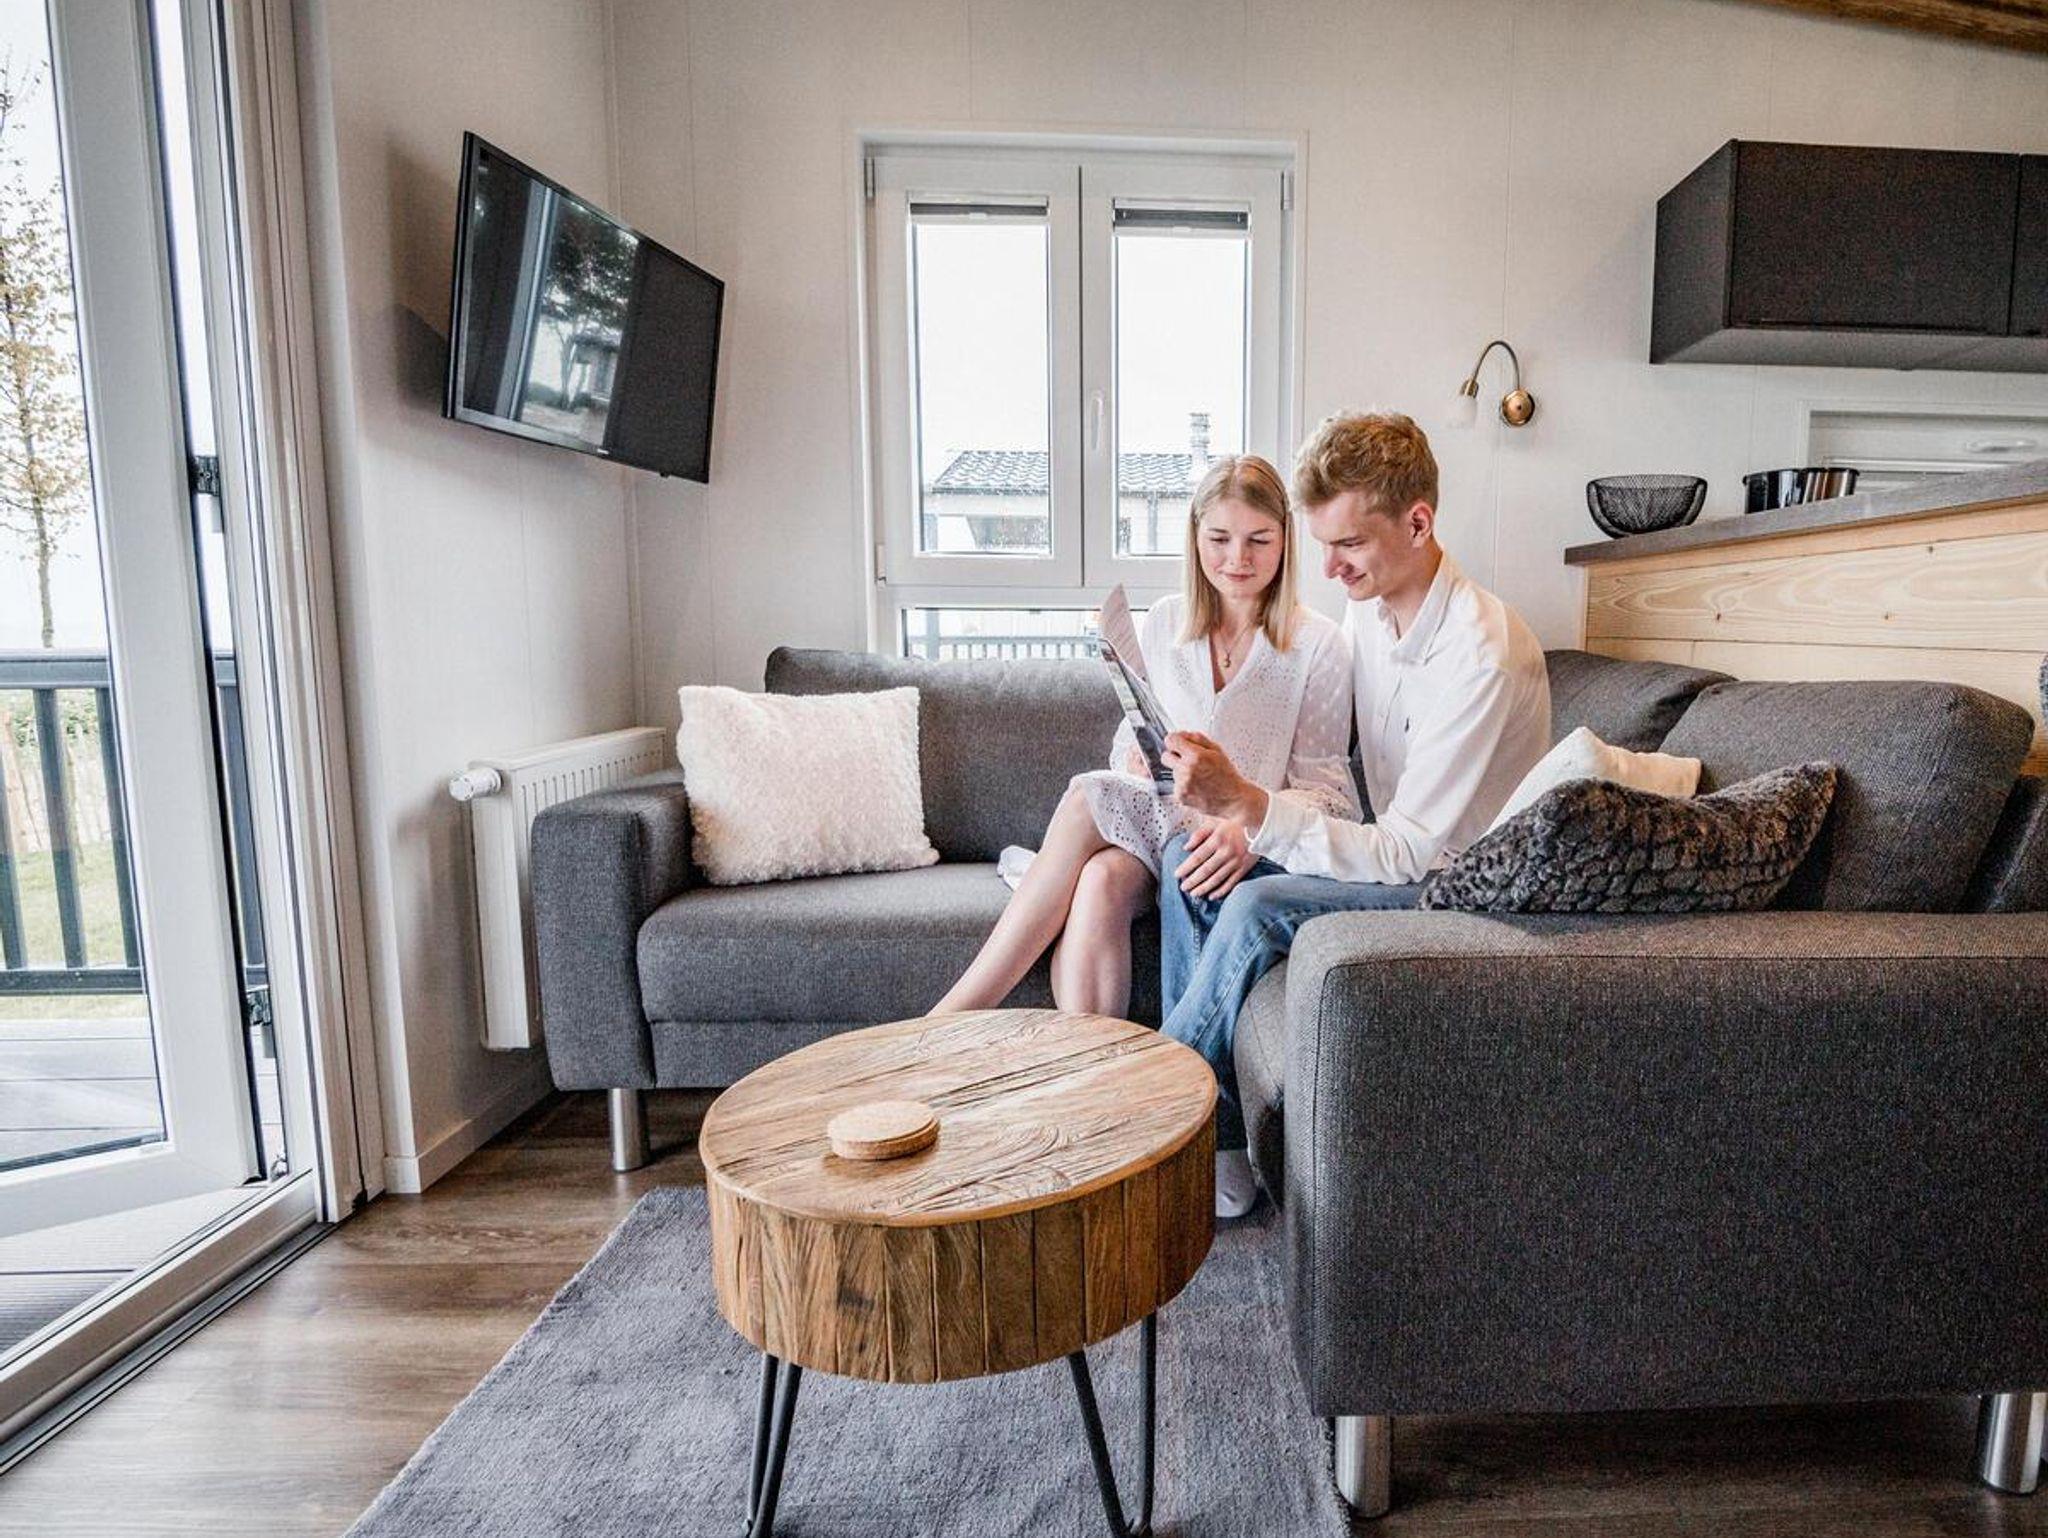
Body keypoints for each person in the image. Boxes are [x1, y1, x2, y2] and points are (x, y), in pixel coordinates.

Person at [1159, 411, 1552, 1218]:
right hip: (1393, 849)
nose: (1330, 568)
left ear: (1419, 523)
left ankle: (1147, 1108)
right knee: (1196, 864)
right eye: (1323, 544)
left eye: (1349, 545)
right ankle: (1218, 1141)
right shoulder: (1369, 611)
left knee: (1258, 904)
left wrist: (1254, 808)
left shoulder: (1482, 655)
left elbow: (1410, 854)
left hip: (1461, 883)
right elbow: (1340, 784)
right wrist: (1241, 821)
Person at [931, 454, 1360, 1024]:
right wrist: (1135, 754)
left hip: (1230, 838)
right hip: (1163, 817)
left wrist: (1252, 828)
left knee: (1093, 841)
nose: (1238, 558)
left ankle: (947, 1020)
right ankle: (1083, 1061)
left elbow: (1334, 798)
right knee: (1096, 861)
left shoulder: (1319, 644)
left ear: (1285, 541)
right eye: (1219, 539)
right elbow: (1128, 737)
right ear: (1195, 537)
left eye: (1259, 540)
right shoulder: (1165, 620)